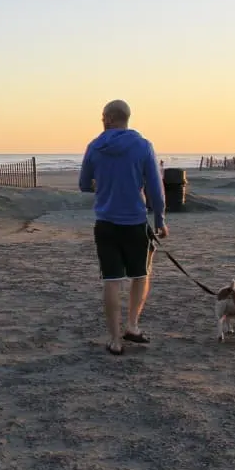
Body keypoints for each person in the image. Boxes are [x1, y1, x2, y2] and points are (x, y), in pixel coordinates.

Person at [79, 100, 168, 355]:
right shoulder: (143, 146)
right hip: (135, 222)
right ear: (127, 118)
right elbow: (155, 188)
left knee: (112, 280)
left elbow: (84, 183)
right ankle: (132, 325)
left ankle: (115, 339)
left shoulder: (95, 147)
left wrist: (104, 185)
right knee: (140, 274)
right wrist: (160, 219)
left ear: (107, 118)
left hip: (106, 222)